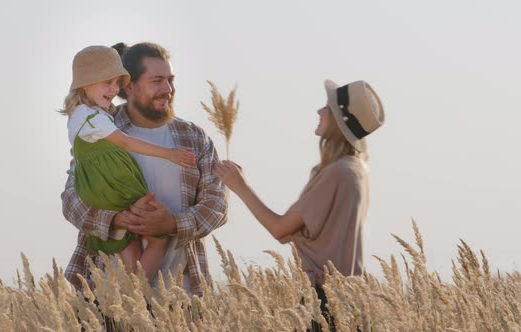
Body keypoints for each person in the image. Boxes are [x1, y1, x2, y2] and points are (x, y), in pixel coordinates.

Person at [213, 79, 385, 330]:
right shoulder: (356, 169)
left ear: (340, 121)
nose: (319, 111)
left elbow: (280, 229)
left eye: (328, 107)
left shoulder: (337, 173)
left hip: (326, 299)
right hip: (348, 298)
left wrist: (240, 186)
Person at [61, 42, 228, 296]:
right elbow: (72, 199)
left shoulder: (193, 137)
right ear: (129, 86)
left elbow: (217, 206)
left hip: (180, 296)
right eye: (157, 81)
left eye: (171, 80)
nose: (168, 89)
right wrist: (116, 219)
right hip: (108, 296)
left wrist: (171, 223)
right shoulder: (99, 129)